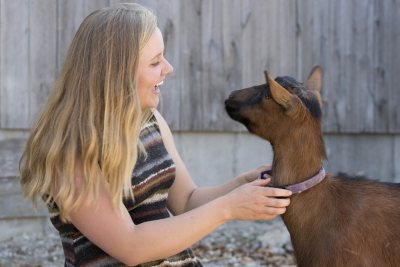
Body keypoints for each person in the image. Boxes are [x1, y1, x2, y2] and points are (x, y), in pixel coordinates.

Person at [19, 3, 292, 267]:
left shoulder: (150, 122)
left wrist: (241, 184)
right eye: (155, 62)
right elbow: (130, 247)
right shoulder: (70, 150)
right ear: (116, 73)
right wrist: (228, 208)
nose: (169, 68)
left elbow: (187, 201)